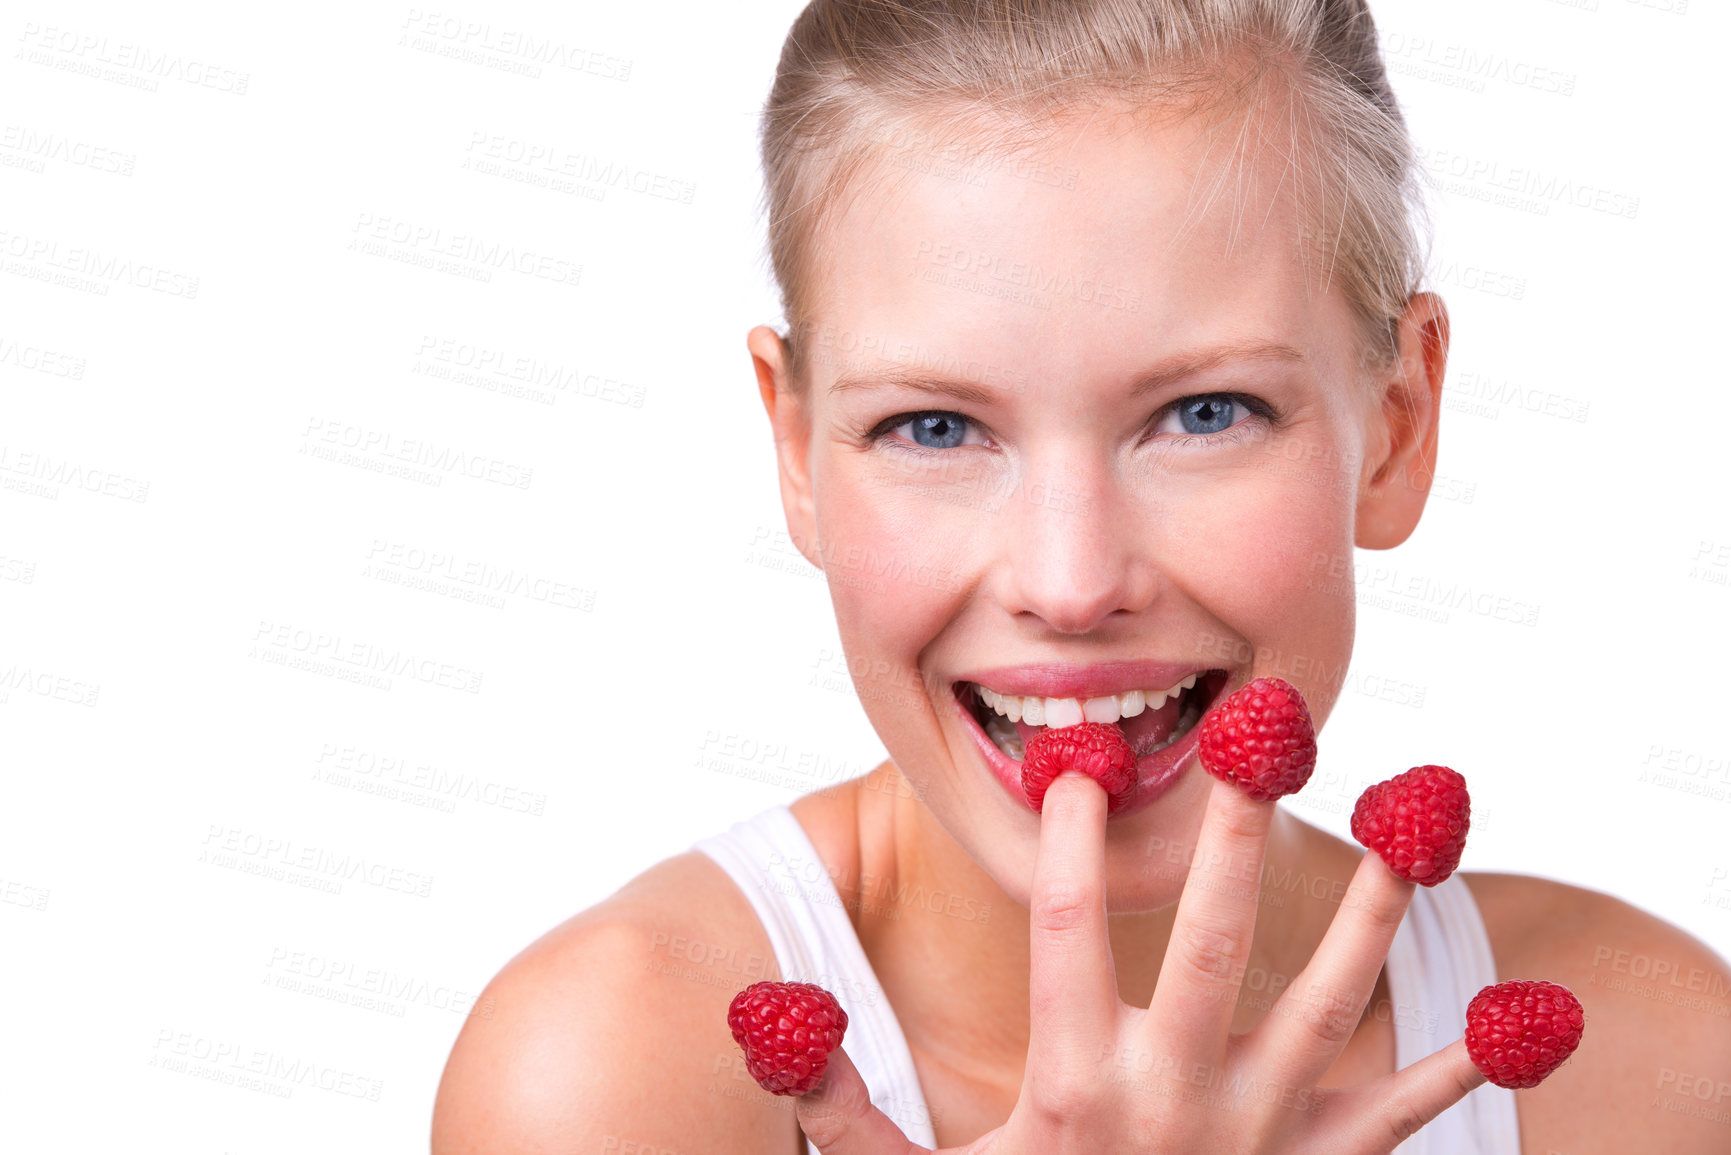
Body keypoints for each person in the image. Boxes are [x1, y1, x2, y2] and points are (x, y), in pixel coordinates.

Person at [430, 1, 1731, 1151]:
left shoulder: (1647, 1069)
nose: (1069, 580)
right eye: (934, 429)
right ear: (797, 450)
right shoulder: (613, 1080)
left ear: (1397, 421)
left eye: (1207, 412)